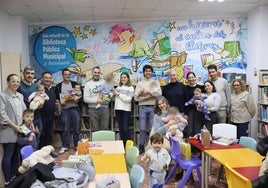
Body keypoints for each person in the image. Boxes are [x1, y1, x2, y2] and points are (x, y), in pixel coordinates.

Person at [0, 74, 26, 184]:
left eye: (17, 82)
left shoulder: (20, 95)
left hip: (20, 129)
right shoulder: (2, 96)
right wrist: (14, 126)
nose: (16, 84)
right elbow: (2, 114)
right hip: (8, 130)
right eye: (13, 81)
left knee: (17, 155)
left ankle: (15, 177)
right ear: (8, 82)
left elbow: (24, 112)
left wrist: (27, 124)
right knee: (8, 155)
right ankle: (8, 180)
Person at [134, 64, 162, 154]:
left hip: (153, 107)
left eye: (149, 71)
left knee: (151, 128)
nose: (148, 72)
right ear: (144, 72)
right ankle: (141, 145)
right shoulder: (140, 83)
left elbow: (159, 94)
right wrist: (145, 97)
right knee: (142, 128)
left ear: (152, 72)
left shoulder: (155, 83)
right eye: (146, 71)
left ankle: (151, 145)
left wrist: (149, 92)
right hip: (142, 107)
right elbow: (135, 97)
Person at [55, 68, 80, 154]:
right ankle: (65, 146)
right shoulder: (58, 86)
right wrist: (64, 101)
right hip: (65, 109)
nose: (67, 76)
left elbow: (79, 94)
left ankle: (77, 145)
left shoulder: (74, 84)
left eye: (69, 75)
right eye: (65, 74)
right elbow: (58, 100)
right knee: (66, 128)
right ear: (62, 76)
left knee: (76, 128)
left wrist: (77, 98)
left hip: (74, 108)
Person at [17, 65, 43, 146]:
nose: (30, 75)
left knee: (36, 139)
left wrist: (41, 103)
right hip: (25, 120)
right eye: (27, 73)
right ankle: (26, 158)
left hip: (37, 117)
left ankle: (35, 157)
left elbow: (40, 99)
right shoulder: (19, 86)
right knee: (27, 141)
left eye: (32, 73)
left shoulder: (35, 86)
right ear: (23, 74)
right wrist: (28, 121)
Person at [84, 66, 110, 131]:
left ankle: (104, 141)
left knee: (104, 129)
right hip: (93, 110)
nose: (96, 74)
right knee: (95, 130)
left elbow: (110, 94)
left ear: (100, 73)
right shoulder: (88, 84)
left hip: (104, 108)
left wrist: (107, 97)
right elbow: (85, 99)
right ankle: (96, 142)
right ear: (92, 73)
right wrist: (97, 101)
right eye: (95, 72)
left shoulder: (104, 82)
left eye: (98, 73)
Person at [113, 72, 134, 146]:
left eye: (125, 77)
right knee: (121, 129)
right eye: (122, 77)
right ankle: (123, 146)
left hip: (126, 110)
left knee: (125, 129)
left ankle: (129, 145)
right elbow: (115, 98)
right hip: (118, 109)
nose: (123, 79)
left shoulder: (131, 88)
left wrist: (118, 94)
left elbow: (128, 100)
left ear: (128, 78)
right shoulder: (118, 87)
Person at [39, 71, 57, 148]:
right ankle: (41, 153)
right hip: (42, 116)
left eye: (49, 78)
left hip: (51, 116)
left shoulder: (52, 89)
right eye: (46, 78)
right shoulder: (40, 89)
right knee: (42, 135)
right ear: (42, 79)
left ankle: (48, 152)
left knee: (49, 135)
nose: (48, 79)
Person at [184, 71, 204, 137]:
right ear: (187, 79)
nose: (191, 79)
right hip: (190, 111)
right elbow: (185, 101)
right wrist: (186, 114)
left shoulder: (201, 87)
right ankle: (190, 145)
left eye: (192, 77)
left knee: (197, 129)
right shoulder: (185, 88)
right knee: (189, 130)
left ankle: (197, 146)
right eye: (189, 78)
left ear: (195, 78)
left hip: (199, 111)